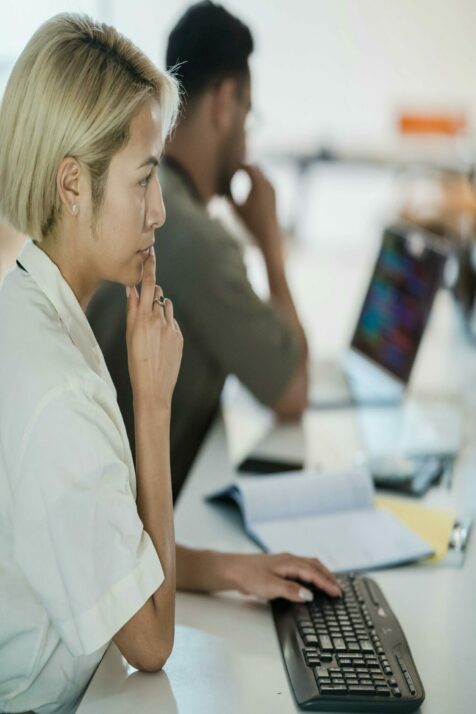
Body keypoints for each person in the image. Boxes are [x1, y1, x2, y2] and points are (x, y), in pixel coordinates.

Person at [0, 14, 340, 714]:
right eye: (143, 181)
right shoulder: (60, 390)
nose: (159, 212)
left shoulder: (31, 305)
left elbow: (106, 544)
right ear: (72, 186)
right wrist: (151, 406)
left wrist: (230, 570)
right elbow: (151, 643)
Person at [87, 1, 309, 499]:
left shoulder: (152, 197)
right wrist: (272, 244)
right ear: (225, 102)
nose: (247, 141)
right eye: (248, 116)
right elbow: (293, 389)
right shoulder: (193, 237)